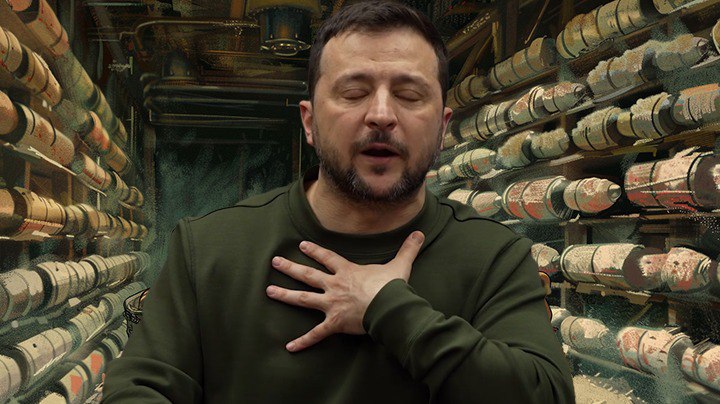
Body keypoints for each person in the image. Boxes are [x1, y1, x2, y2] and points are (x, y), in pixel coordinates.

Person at [102, 1, 575, 402]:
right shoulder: (209, 250)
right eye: (353, 92)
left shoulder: (493, 258)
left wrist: (388, 309)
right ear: (309, 122)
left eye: (410, 95)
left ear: (442, 127)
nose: (382, 114)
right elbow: (138, 390)